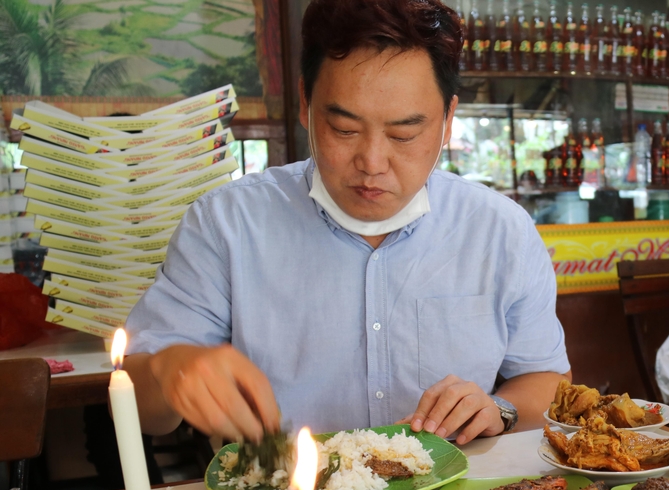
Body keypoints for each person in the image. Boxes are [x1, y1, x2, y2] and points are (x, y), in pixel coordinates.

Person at [122, 0, 570, 447]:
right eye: (344, 129)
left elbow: (548, 381)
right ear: (305, 104)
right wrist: (171, 368)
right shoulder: (227, 224)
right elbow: (138, 405)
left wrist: (501, 409)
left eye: (404, 134)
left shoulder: (499, 230)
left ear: (449, 120)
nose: (372, 163)